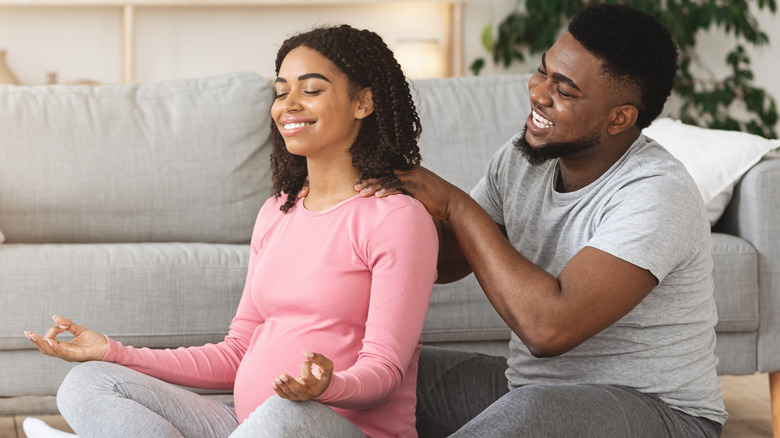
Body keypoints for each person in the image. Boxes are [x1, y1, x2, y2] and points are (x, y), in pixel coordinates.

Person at [23, 24, 438, 438]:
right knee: (89, 381)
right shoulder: (277, 211)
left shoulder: (396, 218)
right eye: (281, 91)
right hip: (243, 427)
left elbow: (384, 372)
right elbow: (237, 351)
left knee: (282, 415)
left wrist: (329, 386)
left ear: (363, 101)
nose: (288, 105)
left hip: (328, 428)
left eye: (310, 90)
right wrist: (114, 352)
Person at [359, 3, 727, 437]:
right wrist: (374, 196)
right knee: (375, 375)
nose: (538, 92)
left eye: (565, 91)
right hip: (530, 391)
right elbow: (448, 262)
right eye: (542, 71)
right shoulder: (523, 158)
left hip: (661, 414)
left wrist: (455, 205)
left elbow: (547, 330)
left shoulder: (656, 193)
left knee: (530, 412)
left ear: (620, 118)